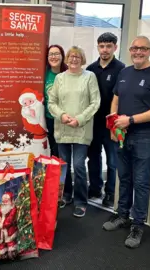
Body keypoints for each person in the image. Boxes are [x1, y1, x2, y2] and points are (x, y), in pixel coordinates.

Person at [102, 36, 150, 248]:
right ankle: (122, 215)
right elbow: (116, 99)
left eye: (142, 48)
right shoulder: (124, 72)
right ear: (130, 50)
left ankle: (138, 224)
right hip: (122, 135)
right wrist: (114, 124)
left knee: (141, 182)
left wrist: (130, 120)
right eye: (134, 48)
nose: (137, 52)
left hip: (145, 137)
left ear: (149, 51)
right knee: (124, 177)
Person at [48, 46, 100, 218]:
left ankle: (80, 201)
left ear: (82, 59)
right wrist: (62, 115)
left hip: (81, 129)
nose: (73, 59)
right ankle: (67, 195)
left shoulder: (89, 77)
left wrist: (79, 118)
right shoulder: (60, 78)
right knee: (64, 166)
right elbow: (51, 102)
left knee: (78, 166)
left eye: (77, 56)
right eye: (71, 56)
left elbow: (95, 102)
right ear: (66, 59)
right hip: (62, 128)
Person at [86, 32, 125, 207]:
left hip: (112, 124)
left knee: (112, 160)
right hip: (92, 123)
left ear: (115, 47)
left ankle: (110, 193)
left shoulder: (122, 69)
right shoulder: (91, 69)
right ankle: (95, 187)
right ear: (98, 47)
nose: (105, 49)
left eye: (109, 46)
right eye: (102, 46)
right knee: (93, 158)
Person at [44, 45, 68, 157]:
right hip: (49, 118)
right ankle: (56, 173)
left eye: (57, 54)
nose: (54, 57)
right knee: (54, 150)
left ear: (62, 56)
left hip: (65, 119)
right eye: (51, 54)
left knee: (65, 151)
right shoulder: (44, 74)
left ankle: (65, 174)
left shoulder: (69, 73)